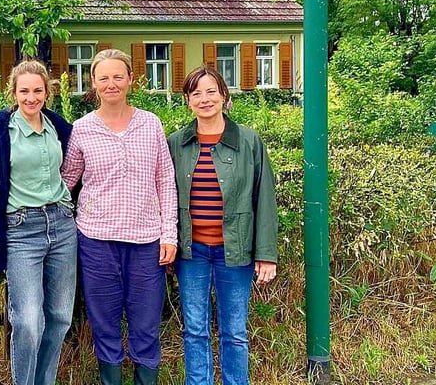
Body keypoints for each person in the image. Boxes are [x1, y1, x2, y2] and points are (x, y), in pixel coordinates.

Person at [60, 49, 177, 385]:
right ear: (93, 84)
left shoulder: (151, 123)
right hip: (96, 241)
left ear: (130, 80)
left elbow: (165, 181)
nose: (111, 84)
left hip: (146, 242)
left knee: (145, 324)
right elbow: (65, 182)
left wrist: (169, 233)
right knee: (105, 324)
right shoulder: (82, 129)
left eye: (117, 76)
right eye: (103, 78)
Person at [167, 66, 278, 385]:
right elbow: (164, 193)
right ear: (187, 100)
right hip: (192, 253)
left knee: (234, 332)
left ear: (224, 95)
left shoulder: (248, 140)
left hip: (236, 251)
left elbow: (265, 198)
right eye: (196, 93)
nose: (204, 99)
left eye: (211, 91)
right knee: (195, 331)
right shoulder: (177, 142)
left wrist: (266, 253)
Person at [0, 60, 76, 385]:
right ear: (13, 92)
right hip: (22, 229)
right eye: (24, 91)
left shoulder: (60, 129)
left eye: (37, 90)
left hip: (61, 225)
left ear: (47, 92)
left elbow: (76, 171)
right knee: (29, 320)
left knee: (59, 316)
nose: (31, 97)